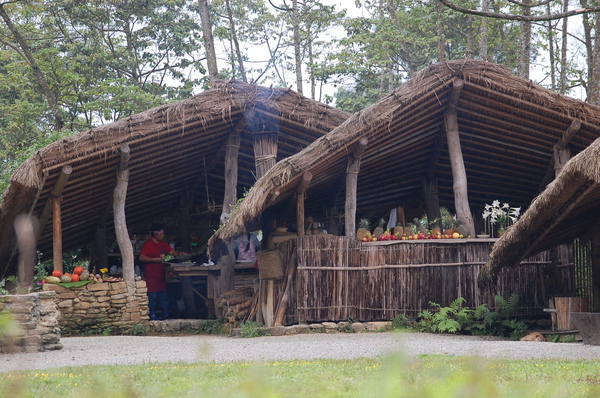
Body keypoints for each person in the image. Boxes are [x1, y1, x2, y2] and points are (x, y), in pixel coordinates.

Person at [139, 225, 186, 320]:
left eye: (163, 233)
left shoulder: (163, 243)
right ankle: (152, 315)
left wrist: (179, 253)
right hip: (151, 274)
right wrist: (154, 259)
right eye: (160, 234)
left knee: (163, 295)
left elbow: (172, 252)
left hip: (161, 273)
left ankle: (166, 315)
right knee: (152, 295)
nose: (162, 235)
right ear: (155, 234)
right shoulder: (148, 244)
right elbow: (141, 257)